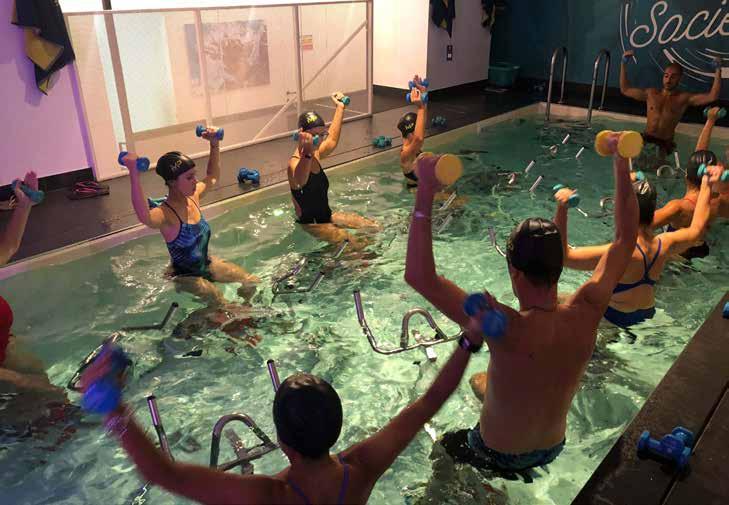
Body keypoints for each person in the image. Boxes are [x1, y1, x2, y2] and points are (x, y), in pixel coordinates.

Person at [404, 137, 639, 472]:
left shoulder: (502, 325)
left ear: (513, 271)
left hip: (496, 453)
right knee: (480, 381)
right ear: (559, 267)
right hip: (554, 447)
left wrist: (425, 189)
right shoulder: (588, 307)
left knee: (443, 452)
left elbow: (419, 276)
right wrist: (620, 157)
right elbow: (626, 237)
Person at [79, 319, 488, 504]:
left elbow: (163, 474)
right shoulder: (362, 470)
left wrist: (112, 408)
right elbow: (429, 402)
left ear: (281, 442)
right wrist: (468, 340)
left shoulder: (268, 495)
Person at [556, 166, 721, 329]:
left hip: (614, 318)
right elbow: (697, 229)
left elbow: (565, 257)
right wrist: (707, 182)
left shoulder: (619, 253)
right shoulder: (663, 244)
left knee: (555, 300)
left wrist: (562, 208)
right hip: (646, 314)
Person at [123, 129, 258, 306]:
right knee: (221, 303)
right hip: (184, 276)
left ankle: (247, 310)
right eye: (189, 177)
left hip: (207, 264)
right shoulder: (166, 214)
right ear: (172, 182)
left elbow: (212, 177)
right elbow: (144, 216)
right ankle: (200, 319)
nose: (195, 181)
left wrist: (214, 144)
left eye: (194, 175)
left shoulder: (193, 197)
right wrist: (133, 173)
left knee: (250, 281)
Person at [288, 92, 378, 249]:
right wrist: (307, 152)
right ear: (302, 134)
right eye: (314, 136)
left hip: (327, 216)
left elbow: (332, 140)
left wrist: (340, 108)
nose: (319, 140)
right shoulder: (294, 164)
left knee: (372, 226)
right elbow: (301, 180)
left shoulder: (315, 153)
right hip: (313, 225)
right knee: (353, 244)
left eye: (321, 134)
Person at [620, 51, 721, 170]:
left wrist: (718, 70)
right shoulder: (651, 94)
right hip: (646, 139)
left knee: (655, 171)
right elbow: (625, 89)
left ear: (680, 78)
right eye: (666, 76)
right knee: (632, 168)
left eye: (673, 76)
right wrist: (623, 64)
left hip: (663, 143)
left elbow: (712, 96)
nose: (668, 80)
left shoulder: (683, 99)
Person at [651, 106, 725, 258]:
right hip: (702, 247)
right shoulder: (718, 201)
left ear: (686, 176)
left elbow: (640, 226)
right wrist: (711, 121)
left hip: (677, 251)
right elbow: (700, 155)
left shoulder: (678, 207)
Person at [399, 76, 428, 187]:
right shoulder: (406, 154)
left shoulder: (412, 143)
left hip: (425, 187)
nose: (421, 130)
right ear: (411, 133)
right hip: (415, 193)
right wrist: (420, 108)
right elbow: (419, 138)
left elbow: (422, 122)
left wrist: (423, 93)